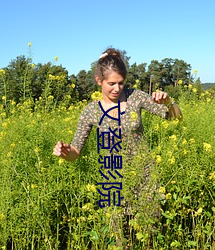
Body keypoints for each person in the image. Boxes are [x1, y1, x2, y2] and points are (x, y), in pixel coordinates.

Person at [53, 47, 182, 246]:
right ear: (99, 81)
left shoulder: (135, 97)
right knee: (118, 238)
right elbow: (76, 151)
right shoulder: (91, 111)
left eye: (121, 83)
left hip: (144, 175)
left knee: (150, 234)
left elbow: (175, 118)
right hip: (112, 179)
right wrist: (65, 152)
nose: (116, 88)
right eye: (111, 83)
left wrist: (169, 102)